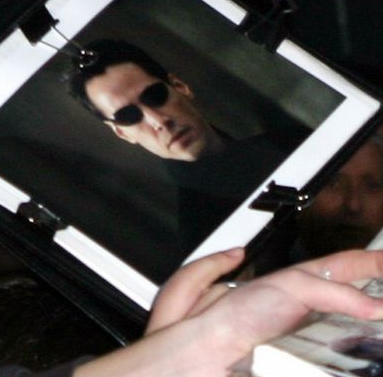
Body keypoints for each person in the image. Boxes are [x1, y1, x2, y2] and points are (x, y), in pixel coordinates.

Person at [69, 39, 307, 239]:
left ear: (180, 86)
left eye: (155, 95)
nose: (158, 121)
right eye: (128, 116)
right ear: (122, 133)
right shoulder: (202, 234)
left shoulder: (295, 141)